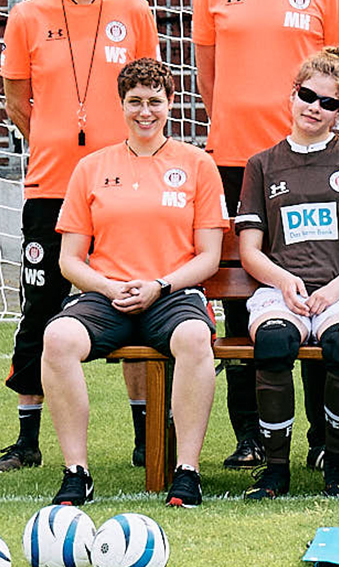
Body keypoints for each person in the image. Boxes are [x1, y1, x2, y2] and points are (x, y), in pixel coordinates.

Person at [192, 0, 339, 472]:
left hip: (310, 156)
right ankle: (250, 436)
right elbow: (208, 77)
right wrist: (239, 125)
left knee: (315, 285)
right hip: (237, 159)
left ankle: (320, 437)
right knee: (241, 299)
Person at [0, 0, 159, 475]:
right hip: (50, 185)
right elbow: (19, 101)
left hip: (122, 186)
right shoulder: (28, 16)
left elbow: (148, 93)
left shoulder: (134, 9)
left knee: (135, 298)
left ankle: (146, 434)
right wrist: (57, 138)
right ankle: (27, 435)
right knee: (41, 303)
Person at [42, 58, 227, 510]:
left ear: (171, 104)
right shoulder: (91, 167)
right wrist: (108, 287)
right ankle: (76, 473)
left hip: (171, 294)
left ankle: (187, 472)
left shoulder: (198, 165)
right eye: (135, 102)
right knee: (58, 337)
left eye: (155, 102)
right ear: (121, 105)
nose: (145, 111)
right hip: (109, 296)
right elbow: (69, 260)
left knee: (195, 337)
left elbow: (209, 256)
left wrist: (160, 285)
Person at [235, 48, 339, 500]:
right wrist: (283, 282)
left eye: (327, 102)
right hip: (282, 290)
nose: (314, 108)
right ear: (292, 95)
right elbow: (250, 250)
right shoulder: (262, 165)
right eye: (307, 95)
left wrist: (334, 290)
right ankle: (275, 468)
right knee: (273, 342)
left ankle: (335, 460)